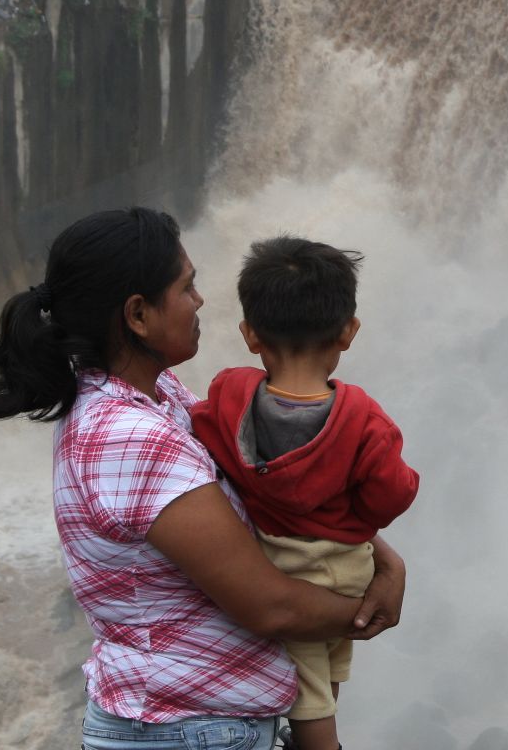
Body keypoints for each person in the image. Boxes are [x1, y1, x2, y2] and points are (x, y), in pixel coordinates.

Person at [0, 207, 406, 750]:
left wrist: (380, 554)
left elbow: (271, 485)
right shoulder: (128, 438)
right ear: (137, 315)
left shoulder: (156, 395)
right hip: (182, 730)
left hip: (189, 725)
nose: (201, 301)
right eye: (187, 287)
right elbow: (268, 605)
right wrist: (369, 609)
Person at [191, 237, 419, 750]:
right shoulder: (365, 419)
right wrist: (356, 515)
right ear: (348, 332)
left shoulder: (229, 395)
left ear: (250, 335)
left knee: (307, 690)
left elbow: (200, 439)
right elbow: (392, 498)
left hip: (286, 569)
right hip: (350, 570)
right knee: (328, 667)